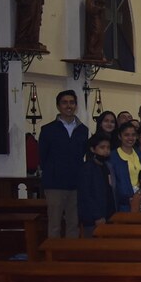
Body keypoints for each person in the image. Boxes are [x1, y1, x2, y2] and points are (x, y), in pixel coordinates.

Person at [38, 89, 89, 237]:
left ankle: (70, 256)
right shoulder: (48, 130)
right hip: (54, 184)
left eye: (72, 102)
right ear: (58, 106)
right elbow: (43, 156)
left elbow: (83, 155)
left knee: (73, 223)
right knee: (54, 224)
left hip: (75, 184)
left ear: (76, 105)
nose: (69, 106)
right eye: (65, 102)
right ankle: (53, 257)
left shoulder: (83, 130)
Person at [77, 133, 115, 237]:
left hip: (107, 214)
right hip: (92, 218)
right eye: (102, 147)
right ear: (93, 149)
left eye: (108, 147)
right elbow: (85, 195)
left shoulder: (107, 167)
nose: (106, 151)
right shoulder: (87, 168)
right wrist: (97, 216)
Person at [107, 123, 141, 212]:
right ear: (120, 136)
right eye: (126, 135)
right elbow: (112, 184)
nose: (130, 138)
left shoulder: (140, 155)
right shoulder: (113, 157)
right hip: (122, 203)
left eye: (133, 135)